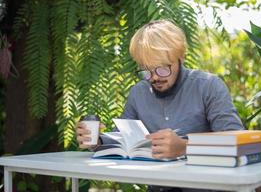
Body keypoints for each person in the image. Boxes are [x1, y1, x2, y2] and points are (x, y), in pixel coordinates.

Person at [76, 19, 244, 192]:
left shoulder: (209, 86)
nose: (155, 77)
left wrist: (186, 147)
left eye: (163, 69)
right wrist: (97, 141)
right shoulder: (138, 93)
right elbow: (125, 142)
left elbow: (237, 141)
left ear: (181, 57)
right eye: (147, 71)